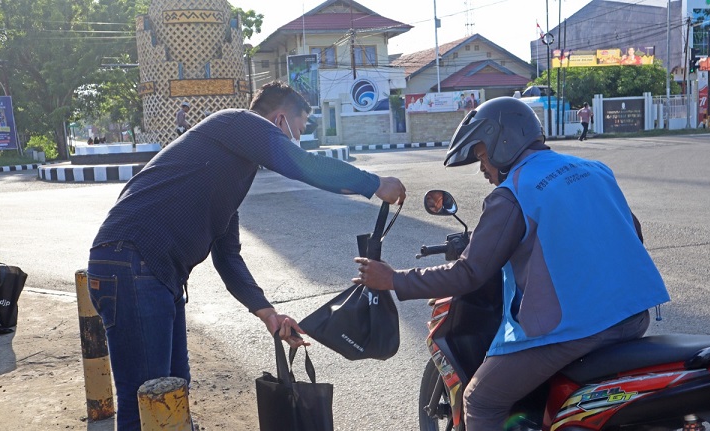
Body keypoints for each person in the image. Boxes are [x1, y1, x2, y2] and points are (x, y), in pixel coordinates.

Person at [86, 80, 406, 430]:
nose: (296, 141)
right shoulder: (239, 121)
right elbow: (303, 164)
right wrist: (374, 183)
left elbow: (228, 258)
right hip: (132, 263)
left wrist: (269, 314)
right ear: (280, 119)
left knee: (172, 392)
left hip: (153, 274)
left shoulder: (230, 167)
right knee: (145, 404)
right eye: (297, 130)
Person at [353, 97, 669, 430]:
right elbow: (632, 233)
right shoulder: (594, 170)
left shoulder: (512, 193)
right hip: (634, 316)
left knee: (480, 399)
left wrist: (393, 279)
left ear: (501, 143)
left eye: (481, 156)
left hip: (575, 332)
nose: (482, 169)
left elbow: (469, 272)